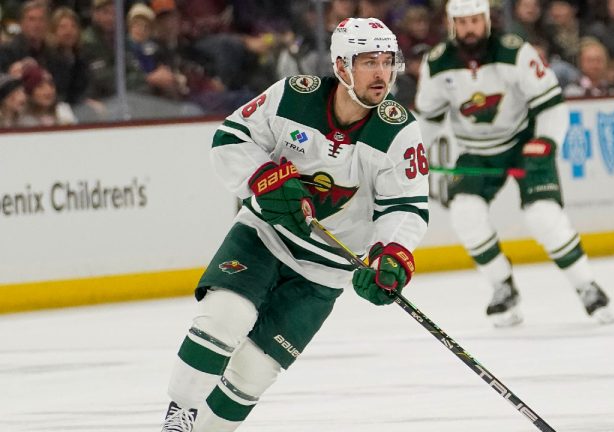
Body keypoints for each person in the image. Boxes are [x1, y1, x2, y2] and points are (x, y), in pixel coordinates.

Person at [160, 17, 429, 432]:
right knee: (224, 317)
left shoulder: (399, 131)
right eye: (369, 62)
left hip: (326, 268)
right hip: (265, 235)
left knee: (254, 373)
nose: (382, 73)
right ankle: (179, 416)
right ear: (341, 67)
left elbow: (406, 206)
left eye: (388, 61)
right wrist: (264, 178)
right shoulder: (291, 96)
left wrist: (390, 256)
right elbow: (231, 138)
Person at [415, 0, 614, 327]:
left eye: (475, 20)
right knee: (465, 212)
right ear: (452, 24)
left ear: (486, 20)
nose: (469, 29)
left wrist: (546, 142)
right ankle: (502, 286)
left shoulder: (515, 52)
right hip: (475, 149)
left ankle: (586, 286)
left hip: (525, 144)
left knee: (543, 216)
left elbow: (552, 104)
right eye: (462, 22)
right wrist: (412, 153)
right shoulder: (437, 64)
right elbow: (428, 120)